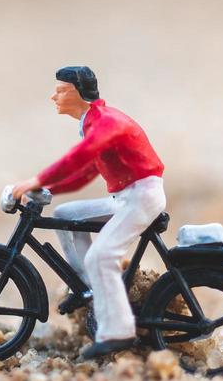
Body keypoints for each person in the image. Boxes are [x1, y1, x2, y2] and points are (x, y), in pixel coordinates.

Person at [10, 66, 166, 361]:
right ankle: (90, 289)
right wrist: (49, 190)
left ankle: (117, 331)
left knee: (101, 256)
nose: (53, 96)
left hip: (141, 197)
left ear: (77, 92)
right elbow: (86, 172)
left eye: (60, 90)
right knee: (67, 215)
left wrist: (38, 180)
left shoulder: (105, 123)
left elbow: (79, 158)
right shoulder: (91, 121)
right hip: (124, 196)